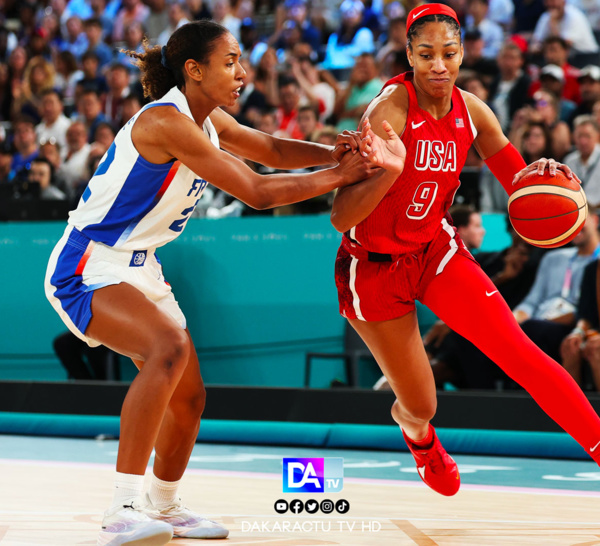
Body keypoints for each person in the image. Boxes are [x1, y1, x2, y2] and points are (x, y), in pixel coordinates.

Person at [44, 20, 403, 546]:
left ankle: (162, 505)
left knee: (188, 398)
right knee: (167, 347)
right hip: (89, 261)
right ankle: (121, 508)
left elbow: (273, 151)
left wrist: (338, 153)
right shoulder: (166, 122)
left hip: (139, 263)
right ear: (194, 70)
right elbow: (257, 190)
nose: (242, 71)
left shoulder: (206, 120)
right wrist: (340, 177)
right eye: (230, 61)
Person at [329, 3, 600, 500]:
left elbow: (521, 187)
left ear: (460, 56)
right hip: (373, 268)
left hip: (435, 252)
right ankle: (421, 440)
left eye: (448, 53)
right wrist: (388, 169)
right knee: (420, 405)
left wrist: (543, 179)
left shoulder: (473, 112)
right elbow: (341, 217)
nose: (438, 64)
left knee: (521, 353)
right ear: (409, 54)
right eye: (426, 53)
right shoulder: (388, 111)